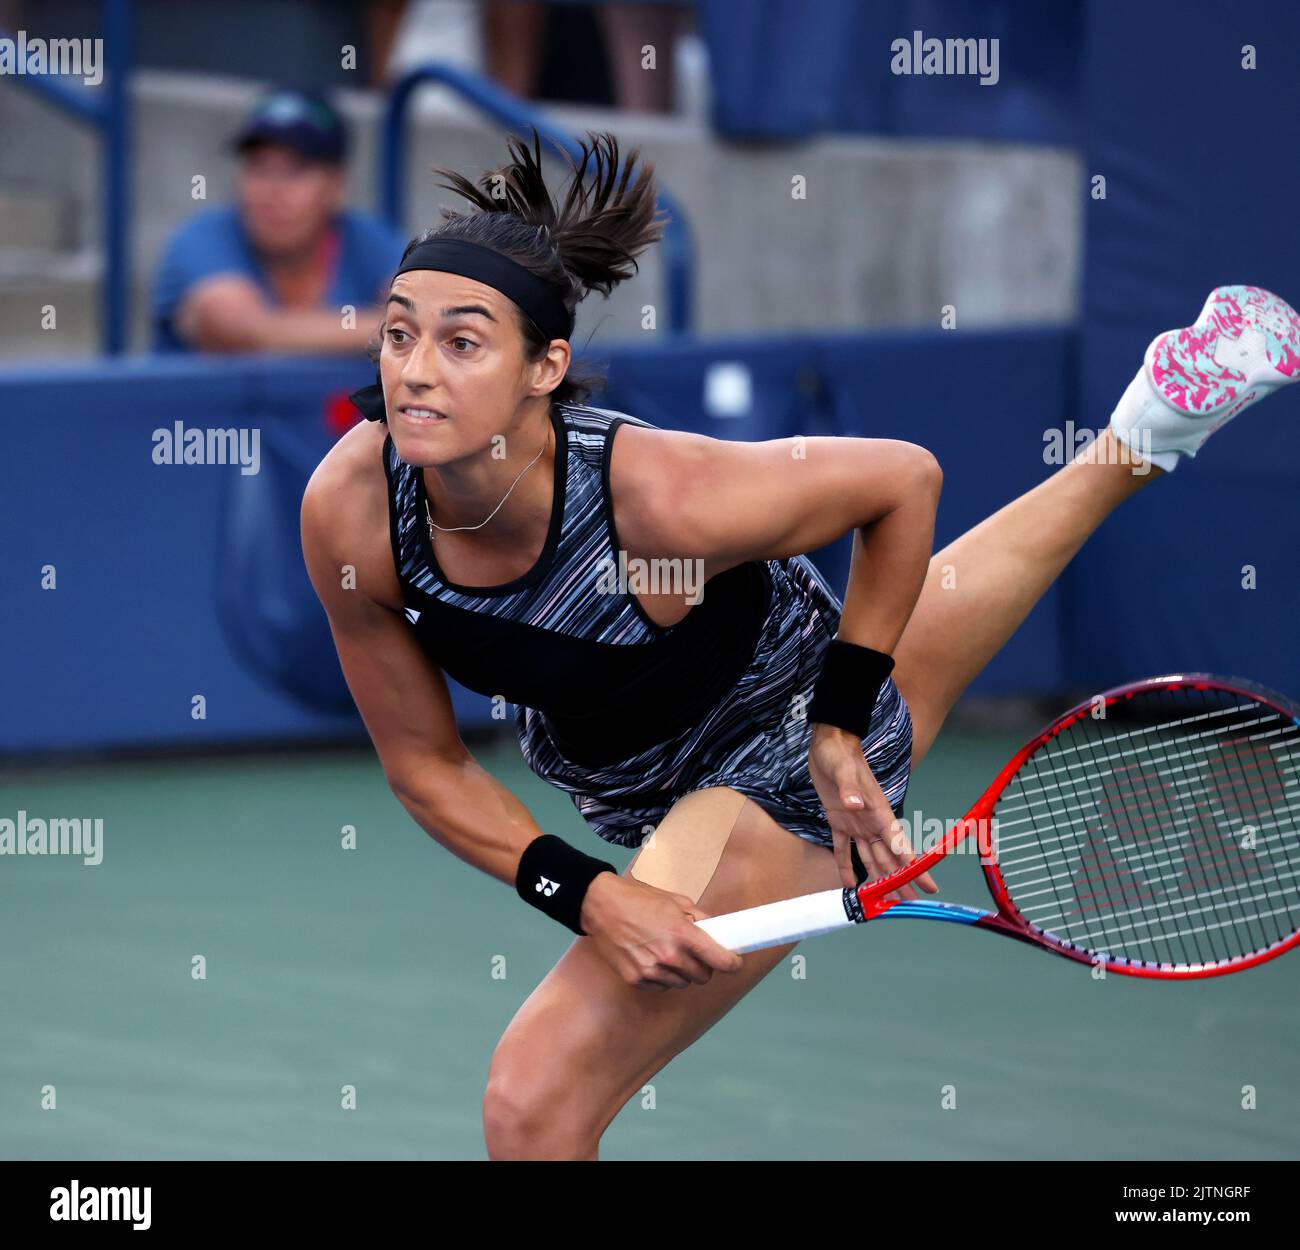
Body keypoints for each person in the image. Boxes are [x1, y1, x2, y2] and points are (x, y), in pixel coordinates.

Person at [299, 128, 1299, 1159]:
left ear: (543, 367)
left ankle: (869, 702)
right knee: (920, 660)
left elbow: (901, 480)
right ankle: (1154, 421)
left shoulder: (661, 499)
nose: (415, 372)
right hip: (642, 754)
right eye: (397, 334)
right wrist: (589, 891)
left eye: (461, 343)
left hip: (766, 766)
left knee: (532, 1103)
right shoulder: (351, 510)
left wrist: (832, 732)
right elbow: (424, 764)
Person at [151, 88, 405, 354]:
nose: (272, 191)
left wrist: (408, 326)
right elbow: (241, 329)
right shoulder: (202, 236)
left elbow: (427, 309)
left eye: (296, 170)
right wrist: (396, 329)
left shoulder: (367, 238)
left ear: (336, 186)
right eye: (258, 167)